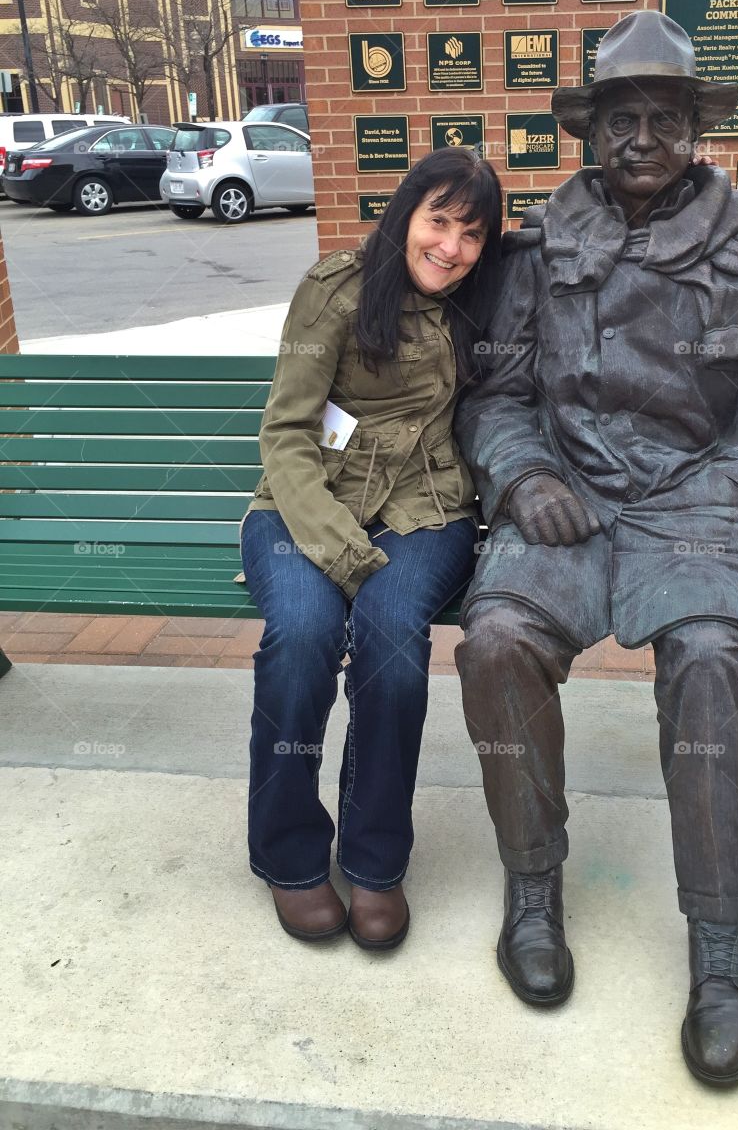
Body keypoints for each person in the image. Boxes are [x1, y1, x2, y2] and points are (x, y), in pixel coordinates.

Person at [453, 11, 738, 1086]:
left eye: (664, 119)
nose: (641, 139)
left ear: (694, 132)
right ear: (593, 131)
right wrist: (524, 474)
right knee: (494, 642)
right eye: (622, 118)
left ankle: (721, 944)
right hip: (566, 499)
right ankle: (533, 882)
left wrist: (731, 492)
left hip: (691, 507)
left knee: (711, 663)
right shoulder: (536, 254)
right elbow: (500, 391)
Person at [241, 147, 502, 951]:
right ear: (405, 215)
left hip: (428, 510)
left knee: (393, 644)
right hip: (308, 504)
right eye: (438, 221)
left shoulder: (484, 301)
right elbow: (286, 432)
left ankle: (375, 860)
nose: (451, 247)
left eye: (472, 233)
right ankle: (289, 854)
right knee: (303, 638)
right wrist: (340, 551)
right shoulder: (337, 291)